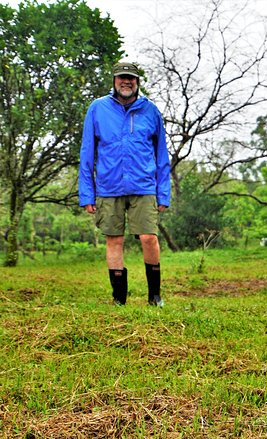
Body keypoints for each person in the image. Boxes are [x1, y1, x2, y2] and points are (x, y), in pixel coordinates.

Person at [79, 61, 171, 306]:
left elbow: (162, 155)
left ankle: (155, 296)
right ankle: (119, 298)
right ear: (114, 81)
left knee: (149, 237)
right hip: (109, 187)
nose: (126, 82)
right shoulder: (97, 109)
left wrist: (164, 193)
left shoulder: (151, 111)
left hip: (144, 186)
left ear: (137, 82)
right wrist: (87, 194)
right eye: (122, 77)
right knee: (114, 239)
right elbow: (88, 152)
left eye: (131, 78)